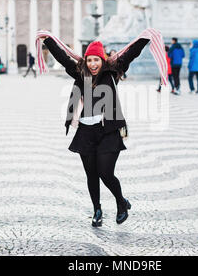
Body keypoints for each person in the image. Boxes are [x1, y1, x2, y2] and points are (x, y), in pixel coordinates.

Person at [40, 35, 151, 228]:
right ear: (86, 61)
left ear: (102, 60)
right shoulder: (79, 74)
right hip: (85, 132)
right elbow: (63, 58)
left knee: (105, 172)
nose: (93, 64)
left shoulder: (112, 73)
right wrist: (48, 40)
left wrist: (145, 38)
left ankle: (121, 202)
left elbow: (131, 54)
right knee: (91, 174)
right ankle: (97, 210)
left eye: (96, 60)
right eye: (89, 60)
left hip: (109, 131)